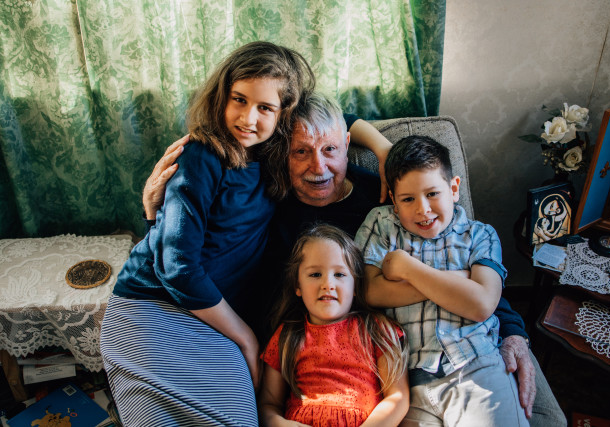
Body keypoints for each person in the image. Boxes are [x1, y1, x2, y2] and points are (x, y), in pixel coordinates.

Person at [143, 93, 567, 426]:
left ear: (347, 144)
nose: (319, 168)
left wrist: (513, 332)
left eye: (330, 149)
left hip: (382, 357)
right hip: (284, 350)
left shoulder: (387, 200)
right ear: (281, 153)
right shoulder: (267, 196)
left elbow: (459, 258)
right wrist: (155, 215)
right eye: (300, 152)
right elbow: (194, 239)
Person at [99, 41, 315, 426]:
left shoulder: (273, 155)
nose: (248, 118)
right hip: (154, 307)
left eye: (265, 107)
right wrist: (246, 338)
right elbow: (177, 265)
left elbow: (337, 121)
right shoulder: (201, 155)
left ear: (284, 112)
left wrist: (382, 149)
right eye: (239, 99)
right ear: (222, 96)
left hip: (213, 318)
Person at [355, 136, 529, 426]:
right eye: (408, 199)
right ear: (394, 202)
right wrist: (457, 284)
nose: (422, 209)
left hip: (475, 365)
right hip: (405, 382)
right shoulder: (381, 223)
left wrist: (408, 268)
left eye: (433, 193)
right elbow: (369, 291)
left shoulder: (480, 234)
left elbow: (481, 304)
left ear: (454, 188)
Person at [258, 224, 410, 426]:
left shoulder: (377, 330)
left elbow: (398, 397)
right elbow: (268, 404)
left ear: (355, 285)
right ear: (297, 285)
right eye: (315, 274)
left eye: (339, 274)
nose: (328, 284)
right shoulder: (287, 335)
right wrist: (282, 424)